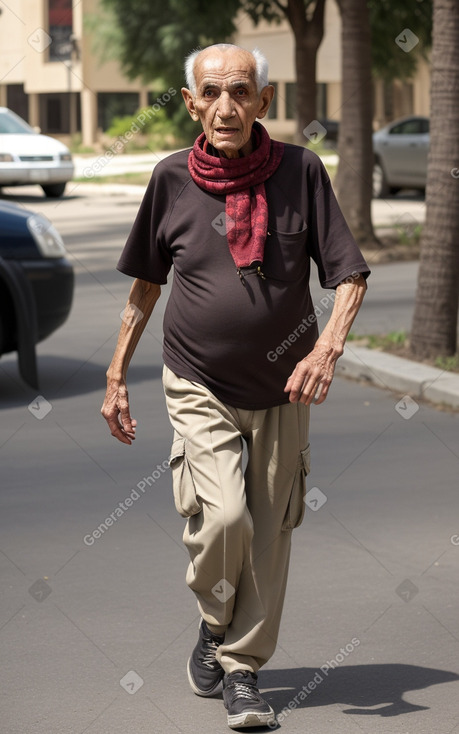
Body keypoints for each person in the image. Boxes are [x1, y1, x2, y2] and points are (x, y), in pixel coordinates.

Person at [101, 43, 370, 730]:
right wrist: (115, 374)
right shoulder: (169, 180)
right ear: (191, 102)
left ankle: (241, 671)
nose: (227, 106)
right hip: (199, 379)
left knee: (270, 537)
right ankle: (217, 622)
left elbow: (348, 273)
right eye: (212, 92)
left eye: (241, 91)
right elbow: (146, 283)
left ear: (263, 102)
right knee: (223, 519)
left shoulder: (300, 172)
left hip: (284, 388)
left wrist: (327, 347)